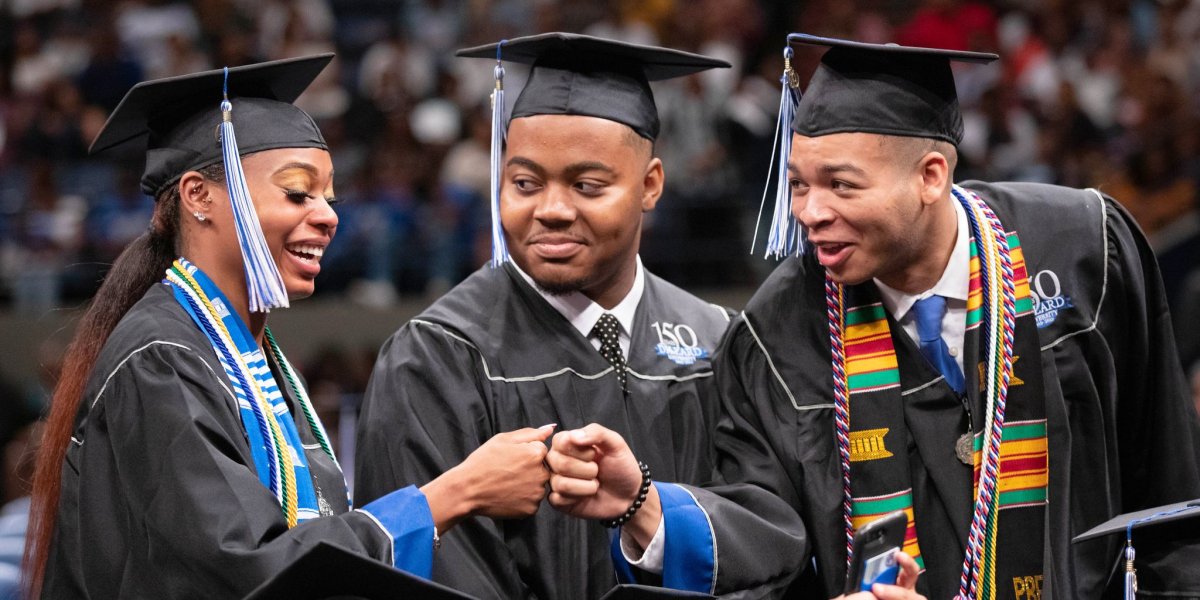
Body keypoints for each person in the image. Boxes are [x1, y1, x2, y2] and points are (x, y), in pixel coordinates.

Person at [547, 34, 1200, 599]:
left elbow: (1167, 471)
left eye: (841, 185)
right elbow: (766, 524)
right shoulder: (778, 331)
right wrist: (647, 507)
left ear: (932, 175)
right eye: (799, 184)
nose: (808, 211)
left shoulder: (1083, 247)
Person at [24, 55, 548, 599]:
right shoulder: (161, 357)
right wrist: (454, 494)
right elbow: (246, 568)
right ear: (199, 196)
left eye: (329, 196)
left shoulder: (245, 351)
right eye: (298, 192)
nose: (328, 215)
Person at [354, 32, 808, 599]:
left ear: (650, 185)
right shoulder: (438, 355)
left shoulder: (719, 341)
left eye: (587, 186)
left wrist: (651, 512)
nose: (551, 210)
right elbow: (435, 577)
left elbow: (773, 538)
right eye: (524, 183)